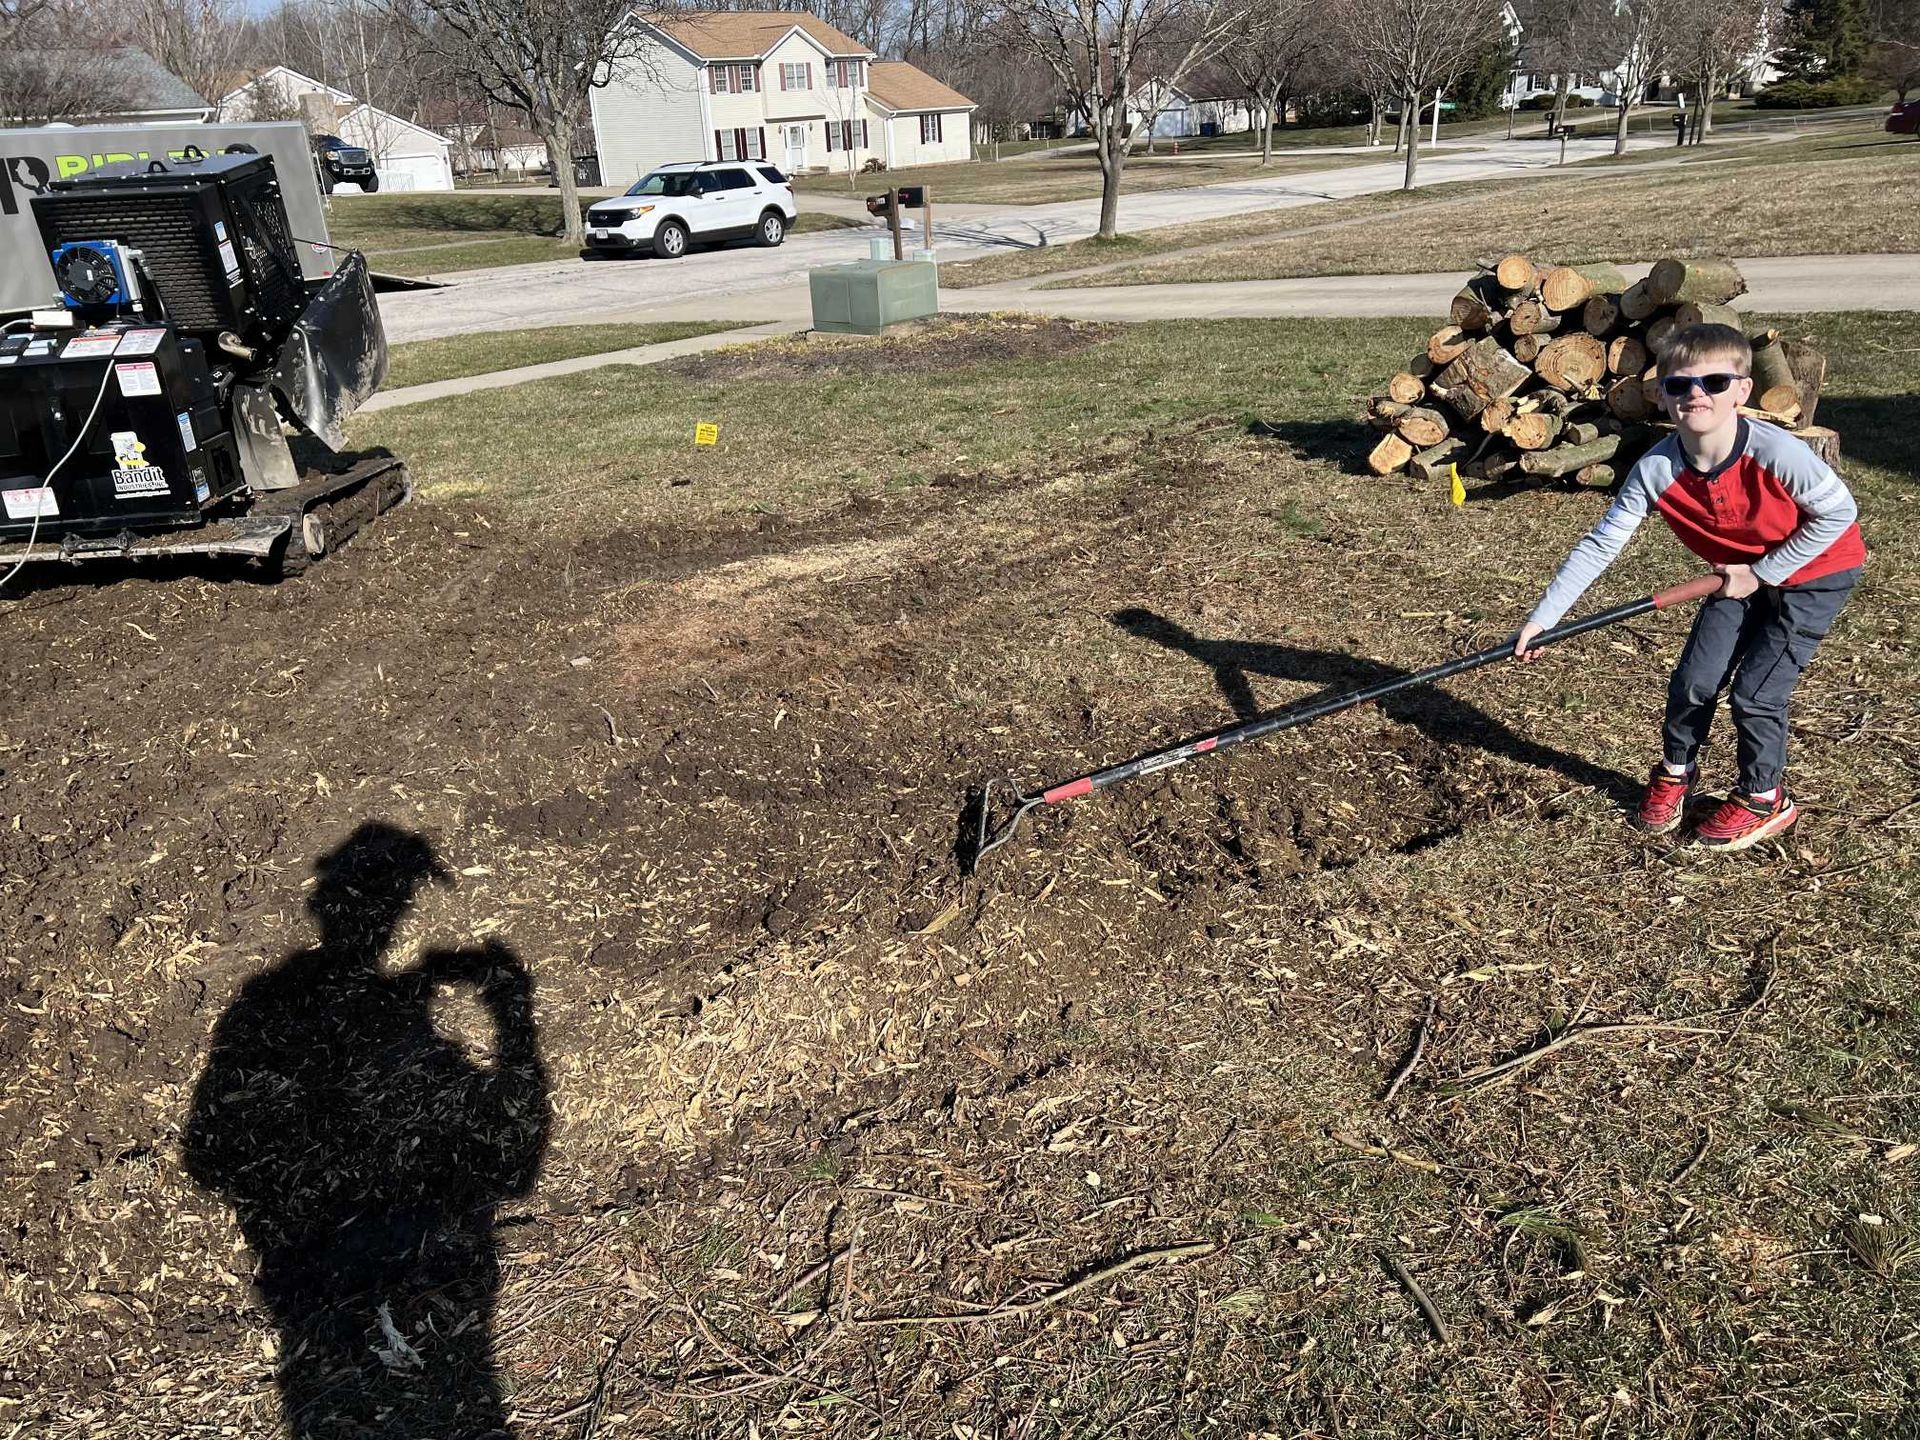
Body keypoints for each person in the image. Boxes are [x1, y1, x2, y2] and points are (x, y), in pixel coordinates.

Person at [1514, 322, 1864, 851]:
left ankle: (1765, 798)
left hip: (1815, 573)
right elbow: (1601, 544)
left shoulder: (1773, 451)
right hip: (1735, 573)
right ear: (1662, 393)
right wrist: (1545, 618)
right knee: (1694, 680)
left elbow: (1839, 512)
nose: (1696, 394)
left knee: (1756, 695)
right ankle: (1677, 772)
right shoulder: (1657, 468)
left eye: (1715, 382)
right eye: (1679, 385)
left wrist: (1763, 573)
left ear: (1742, 390)